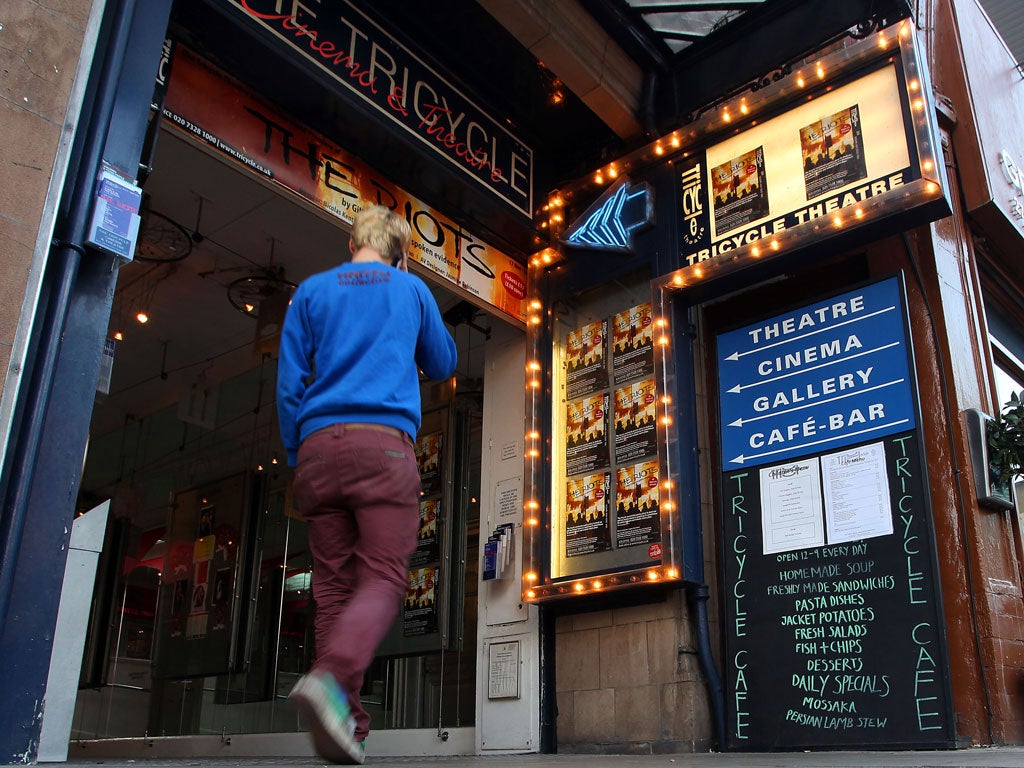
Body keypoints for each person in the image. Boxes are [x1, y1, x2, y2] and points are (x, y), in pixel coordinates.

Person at [277, 205, 457, 764]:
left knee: (331, 589)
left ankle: (348, 727)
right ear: (401, 251)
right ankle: (329, 678)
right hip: (382, 448)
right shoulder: (409, 291)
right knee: (382, 576)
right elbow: (445, 362)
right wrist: (412, 295)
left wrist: (298, 453)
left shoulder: (310, 291)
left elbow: (288, 385)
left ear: (351, 243)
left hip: (316, 450)